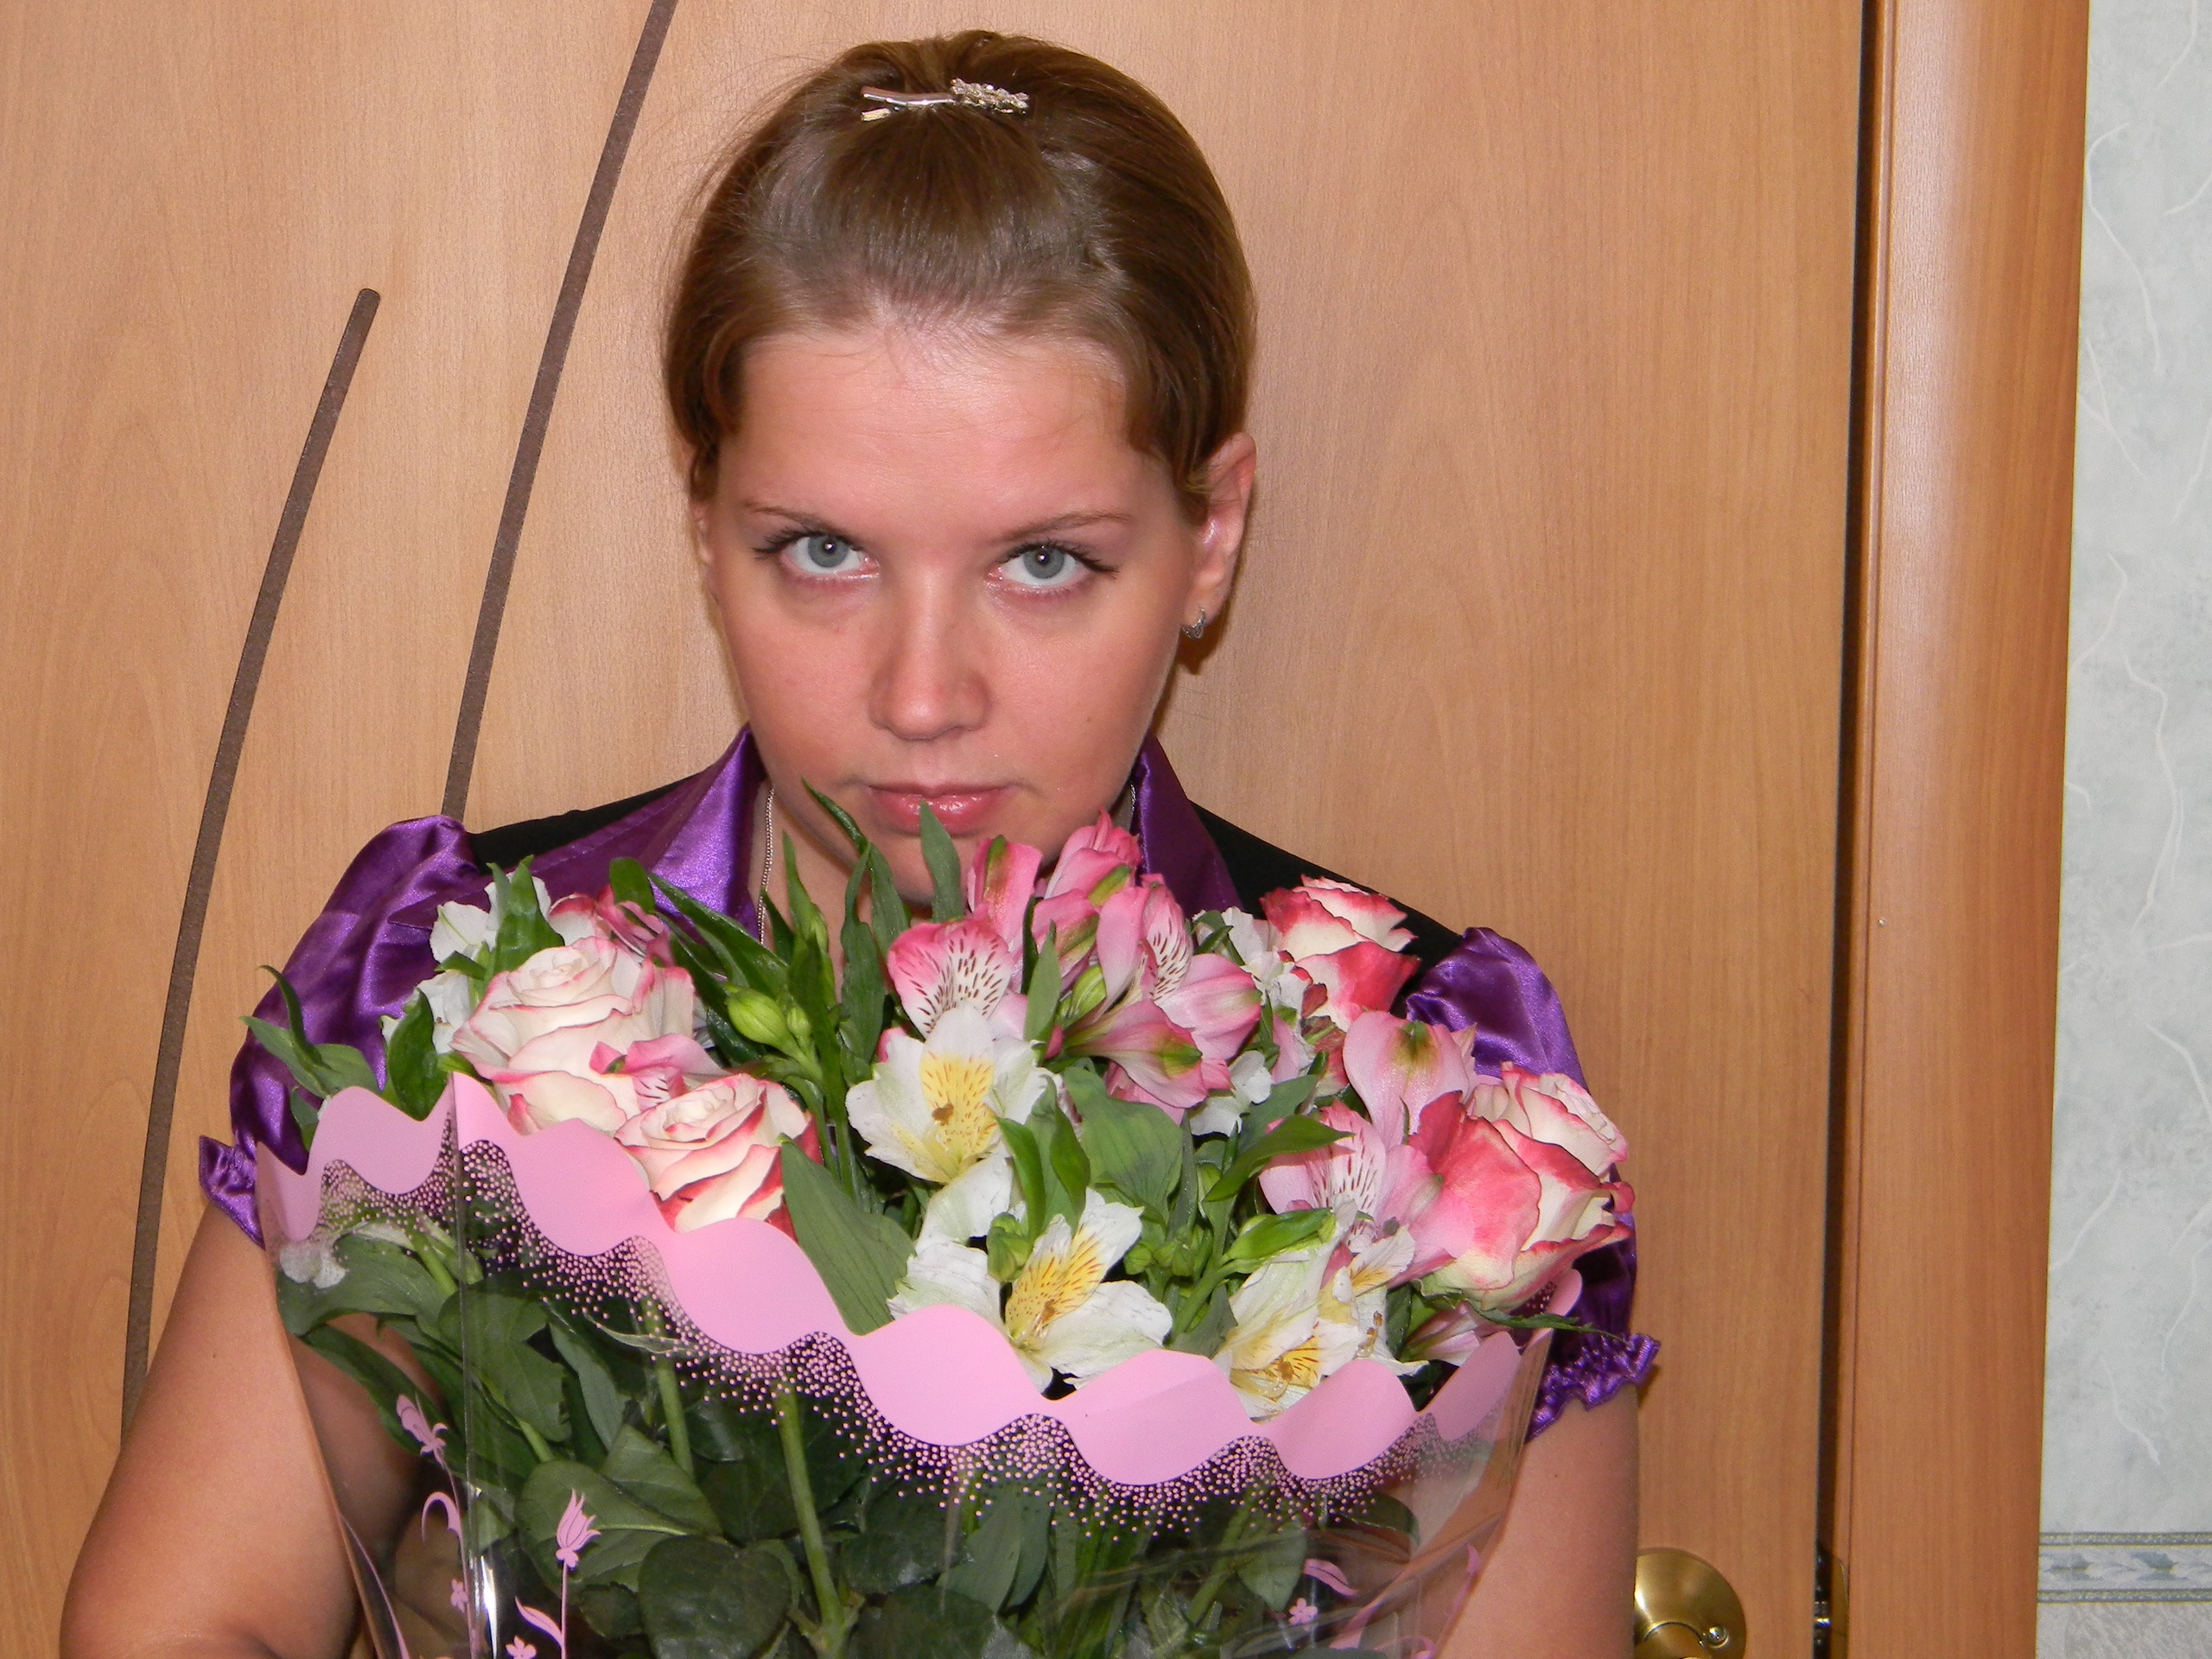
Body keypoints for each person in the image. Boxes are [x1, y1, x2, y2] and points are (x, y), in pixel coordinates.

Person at [66, 32, 1651, 1658]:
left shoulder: (1435, 1101)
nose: (921, 696)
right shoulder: (452, 991)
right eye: (823, 551)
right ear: (705, 523)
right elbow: (184, 1623)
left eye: (1044, 562)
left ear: (1213, 535)